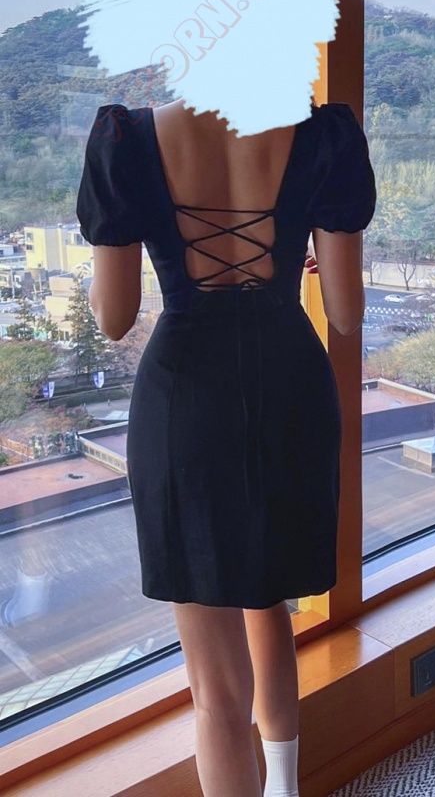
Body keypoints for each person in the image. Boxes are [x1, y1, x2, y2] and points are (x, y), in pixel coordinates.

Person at [76, 96, 376, 797]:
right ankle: (284, 787)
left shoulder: (128, 137)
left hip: (186, 401)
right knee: (268, 602)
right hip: (290, 388)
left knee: (215, 691)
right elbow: (345, 312)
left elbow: (114, 317)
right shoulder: (322, 133)